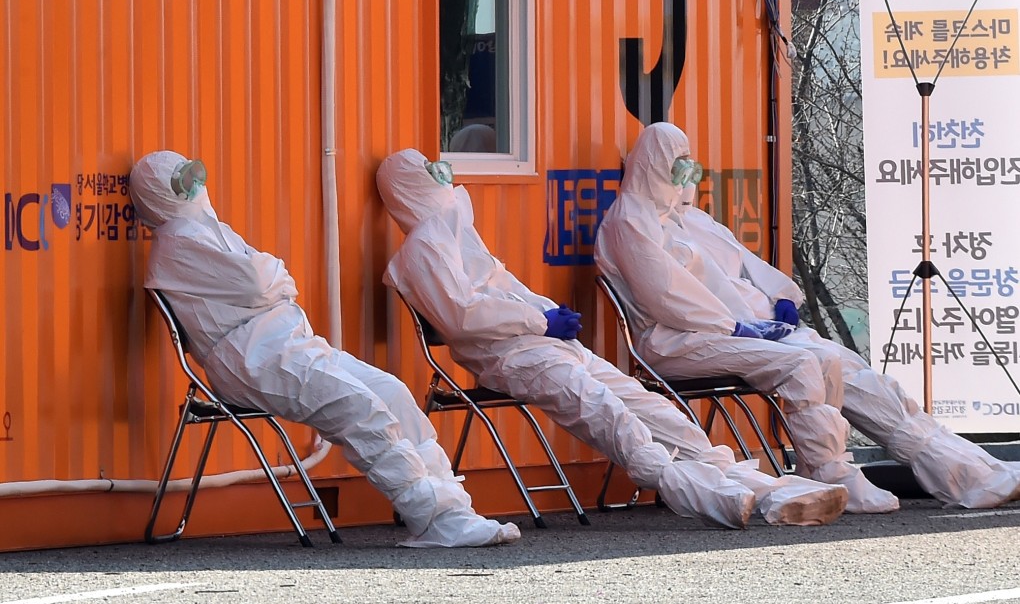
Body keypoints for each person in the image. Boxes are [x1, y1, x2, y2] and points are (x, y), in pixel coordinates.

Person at [376, 147, 850, 530]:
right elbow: (462, 316)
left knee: (655, 412)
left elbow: (506, 290)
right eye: (433, 173)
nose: (446, 181)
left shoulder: (459, 238)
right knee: (611, 415)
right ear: (411, 187)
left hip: (551, 348)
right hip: (515, 360)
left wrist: (547, 314)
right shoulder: (422, 251)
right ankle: (710, 496)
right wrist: (540, 321)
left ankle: (767, 491)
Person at [594, 121, 1020, 512]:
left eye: (691, 166)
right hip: (679, 340)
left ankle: (967, 469)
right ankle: (829, 470)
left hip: (746, 331)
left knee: (851, 369)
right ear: (655, 165)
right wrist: (735, 326)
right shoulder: (630, 223)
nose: (687, 176)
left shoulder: (691, 220)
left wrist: (781, 296)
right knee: (803, 365)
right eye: (679, 166)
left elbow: (745, 265)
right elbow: (665, 295)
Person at [129, 150, 520, 548]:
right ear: (159, 194)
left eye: (193, 175)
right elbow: (261, 281)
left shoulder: (209, 231)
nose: (195, 186)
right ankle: (434, 518)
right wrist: (271, 285)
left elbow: (273, 279)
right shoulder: (178, 244)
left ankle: (455, 510)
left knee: (393, 393)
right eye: (182, 181)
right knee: (358, 407)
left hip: (289, 344)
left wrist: (270, 284)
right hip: (252, 359)